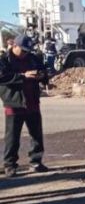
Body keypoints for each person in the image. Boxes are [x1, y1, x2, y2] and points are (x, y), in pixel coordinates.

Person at [0, 35, 48, 178]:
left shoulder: (33, 58)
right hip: (14, 103)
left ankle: (36, 161)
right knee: (12, 137)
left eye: (28, 50)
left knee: (36, 134)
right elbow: (2, 77)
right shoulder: (4, 60)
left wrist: (41, 76)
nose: (26, 53)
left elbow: (44, 72)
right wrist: (23, 76)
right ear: (15, 46)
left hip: (32, 101)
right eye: (23, 50)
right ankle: (10, 165)